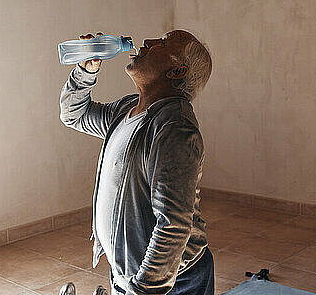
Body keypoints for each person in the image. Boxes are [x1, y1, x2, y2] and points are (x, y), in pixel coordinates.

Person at [59, 30, 214, 295]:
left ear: (176, 72)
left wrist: (145, 289)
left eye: (163, 43)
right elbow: (74, 114)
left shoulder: (174, 128)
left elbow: (173, 224)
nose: (149, 42)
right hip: (132, 270)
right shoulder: (128, 109)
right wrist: (85, 71)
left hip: (170, 281)